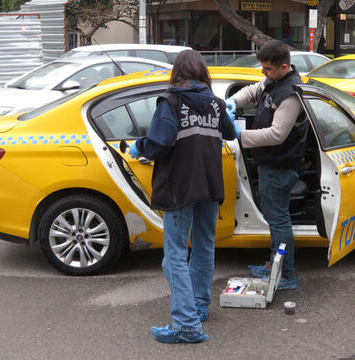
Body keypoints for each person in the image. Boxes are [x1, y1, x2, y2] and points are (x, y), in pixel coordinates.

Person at [129, 50, 237, 344]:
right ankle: (199, 308)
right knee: (204, 248)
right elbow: (230, 133)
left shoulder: (171, 102)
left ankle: (186, 325)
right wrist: (229, 112)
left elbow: (159, 144)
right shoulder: (215, 104)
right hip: (210, 186)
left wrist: (139, 147)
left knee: (175, 255)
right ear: (203, 73)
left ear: (177, 73)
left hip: (180, 187)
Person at [225, 40, 307, 291]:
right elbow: (253, 90)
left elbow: (276, 135)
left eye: (267, 68)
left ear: (284, 67)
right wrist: (233, 102)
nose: (263, 72)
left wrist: (239, 135)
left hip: (279, 165)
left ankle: (286, 276)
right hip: (270, 163)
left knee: (279, 221)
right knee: (274, 219)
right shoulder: (274, 81)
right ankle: (274, 264)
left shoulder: (290, 94)